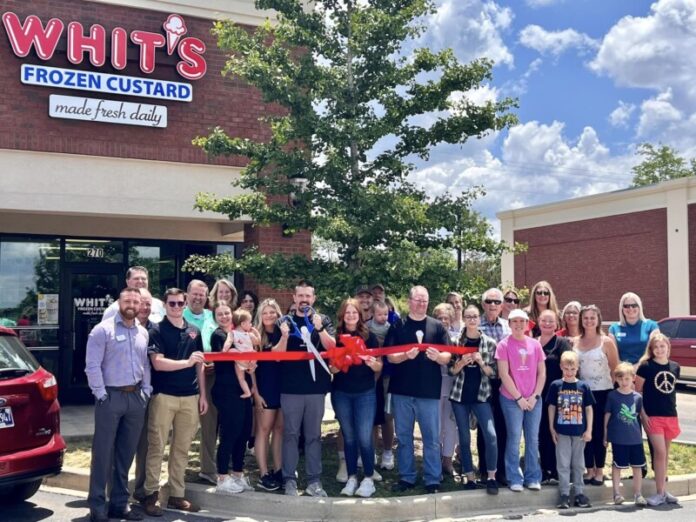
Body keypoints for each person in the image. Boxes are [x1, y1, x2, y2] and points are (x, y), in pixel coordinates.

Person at [85, 287, 150, 522]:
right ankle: (97, 507)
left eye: (136, 301)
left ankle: (120, 504)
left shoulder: (142, 332)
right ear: (119, 303)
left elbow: (146, 365)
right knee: (102, 454)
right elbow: (92, 366)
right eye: (127, 300)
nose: (131, 304)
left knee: (126, 454)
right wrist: (101, 394)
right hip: (110, 398)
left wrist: (146, 391)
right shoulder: (102, 331)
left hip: (135, 399)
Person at [141, 288, 208, 516]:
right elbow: (157, 363)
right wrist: (186, 363)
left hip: (190, 396)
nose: (177, 307)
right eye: (172, 304)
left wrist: (203, 395)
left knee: (182, 449)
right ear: (166, 304)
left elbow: (199, 364)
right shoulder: (156, 330)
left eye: (181, 303)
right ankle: (151, 495)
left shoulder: (194, 331)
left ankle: (176, 495)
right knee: (157, 447)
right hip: (164, 396)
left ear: (186, 302)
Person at [386, 285, 451, 494]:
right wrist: (405, 355)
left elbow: (448, 355)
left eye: (425, 300)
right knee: (404, 437)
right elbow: (389, 356)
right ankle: (407, 477)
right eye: (417, 300)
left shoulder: (438, 327)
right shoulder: (398, 326)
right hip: (402, 391)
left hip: (429, 392)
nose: (421, 304)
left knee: (431, 438)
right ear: (409, 301)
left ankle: (433, 479)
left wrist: (438, 357)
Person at [276, 280, 336, 497]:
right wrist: (283, 335)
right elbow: (276, 355)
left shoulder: (324, 320)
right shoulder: (285, 321)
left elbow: (332, 347)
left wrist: (319, 328)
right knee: (291, 435)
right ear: (294, 298)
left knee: (313, 436)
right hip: (290, 388)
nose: (304, 300)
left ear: (314, 299)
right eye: (300, 296)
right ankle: (289, 479)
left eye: (308, 296)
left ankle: (314, 481)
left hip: (315, 389)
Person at [330, 298, 383, 498]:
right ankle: (352, 477)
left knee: (364, 436)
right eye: (347, 313)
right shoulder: (336, 337)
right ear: (342, 316)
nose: (351, 316)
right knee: (349, 437)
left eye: (354, 312)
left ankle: (368, 478)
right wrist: (342, 361)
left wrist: (371, 363)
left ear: (359, 315)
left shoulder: (369, 336)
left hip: (365, 393)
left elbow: (379, 365)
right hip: (342, 393)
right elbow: (332, 369)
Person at [449, 304, 499, 495]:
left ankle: (491, 476)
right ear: (464, 319)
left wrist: (480, 361)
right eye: (468, 316)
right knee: (464, 437)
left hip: (481, 396)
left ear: (480, 319)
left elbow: (493, 374)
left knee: (491, 435)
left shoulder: (489, 343)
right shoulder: (456, 342)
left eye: (475, 316)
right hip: (460, 396)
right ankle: (469, 475)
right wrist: (461, 362)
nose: (471, 319)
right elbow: (451, 371)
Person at [496, 309, 546, 492]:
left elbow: (542, 373)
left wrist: (535, 396)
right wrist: (518, 398)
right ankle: (514, 477)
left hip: (534, 399)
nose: (518, 324)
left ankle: (533, 477)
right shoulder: (503, 345)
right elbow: (503, 374)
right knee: (515, 437)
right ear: (509, 324)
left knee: (533, 439)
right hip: (511, 399)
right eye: (514, 321)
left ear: (527, 324)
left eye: (522, 321)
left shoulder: (535, 345)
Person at [209, 300, 256, 495]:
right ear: (215, 317)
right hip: (227, 391)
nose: (224, 317)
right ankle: (222, 476)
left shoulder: (242, 333)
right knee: (230, 433)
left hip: (243, 390)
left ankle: (237, 473)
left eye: (227, 313)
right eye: (220, 314)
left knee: (244, 433)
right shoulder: (219, 335)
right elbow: (227, 354)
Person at [573, 304, 618, 486]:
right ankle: (589, 469)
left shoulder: (606, 341)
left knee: (600, 432)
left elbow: (616, 368)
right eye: (585, 318)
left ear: (598, 319)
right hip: (582, 393)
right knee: (584, 432)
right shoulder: (575, 341)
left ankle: (599, 469)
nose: (589, 321)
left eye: (592, 317)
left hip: (603, 393)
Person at [636, 333, 681, 506]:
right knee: (660, 452)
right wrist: (643, 414)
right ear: (651, 349)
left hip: (670, 415)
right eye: (656, 347)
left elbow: (670, 392)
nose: (660, 350)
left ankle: (663, 490)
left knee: (665, 454)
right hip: (652, 416)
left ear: (668, 347)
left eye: (663, 346)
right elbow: (638, 392)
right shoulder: (646, 366)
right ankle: (659, 492)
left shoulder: (675, 367)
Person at [546, 351, 594, 509]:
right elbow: (552, 407)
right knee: (563, 464)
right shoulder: (556, 385)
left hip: (579, 432)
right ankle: (564, 494)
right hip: (562, 432)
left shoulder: (583, 386)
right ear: (561, 367)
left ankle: (579, 493)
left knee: (579, 464)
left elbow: (588, 409)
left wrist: (589, 430)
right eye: (566, 368)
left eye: (572, 369)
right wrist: (552, 428)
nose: (569, 372)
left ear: (577, 368)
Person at [182, 280, 218, 485]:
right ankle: (178, 469)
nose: (198, 298)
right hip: (185, 377)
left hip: (211, 376)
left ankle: (207, 469)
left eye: (202, 295)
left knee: (209, 425)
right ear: (187, 295)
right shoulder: (179, 314)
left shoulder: (211, 317)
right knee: (183, 425)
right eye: (194, 294)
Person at [253, 298, 286, 491]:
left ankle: (279, 469)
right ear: (260, 315)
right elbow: (251, 369)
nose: (269, 316)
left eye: (272, 312)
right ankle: (264, 472)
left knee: (279, 430)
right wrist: (256, 393)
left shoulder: (285, 333)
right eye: (265, 313)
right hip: (265, 389)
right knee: (263, 430)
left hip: (284, 388)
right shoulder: (256, 336)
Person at [535, 309, 572, 484]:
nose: (547, 324)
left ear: (556, 324)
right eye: (544, 320)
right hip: (538, 394)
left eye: (551, 321)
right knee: (541, 432)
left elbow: (570, 366)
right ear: (538, 322)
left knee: (559, 432)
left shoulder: (562, 343)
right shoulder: (533, 343)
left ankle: (560, 470)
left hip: (559, 395)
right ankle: (545, 469)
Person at [604, 362, 647, 507]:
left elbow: (641, 416)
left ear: (633, 378)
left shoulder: (637, 397)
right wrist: (605, 435)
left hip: (635, 439)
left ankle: (638, 494)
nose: (624, 382)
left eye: (627, 379)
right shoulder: (612, 396)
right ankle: (616, 494)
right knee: (618, 466)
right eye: (620, 379)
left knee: (637, 467)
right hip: (618, 439)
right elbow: (607, 416)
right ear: (616, 379)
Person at [479, 287, 510, 485]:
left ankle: (501, 470)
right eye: (489, 301)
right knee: (484, 428)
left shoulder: (508, 327)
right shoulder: (475, 324)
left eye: (497, 302)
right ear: (483, 304)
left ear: (502, 306)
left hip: (504, 382)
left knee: (503, 426)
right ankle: (484, 469)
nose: (492, 305)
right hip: (482, 381)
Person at [366, 300, 396, 471]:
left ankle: (387, 452)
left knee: (387, 415)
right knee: (371, 416)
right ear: (372, 313)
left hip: (387, 376)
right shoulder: (366, 327)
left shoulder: (391, 327)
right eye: (379, 314)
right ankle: (371, 452)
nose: (383, 317)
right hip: (370, 375)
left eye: (385, 314)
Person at [132, 289, 155, 503]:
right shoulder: (119, 326)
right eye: (142, 303)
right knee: (121, 445)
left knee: (145, 445)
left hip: (148, 394)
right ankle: (115, 494)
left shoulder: (155, 330)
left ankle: (140, 490)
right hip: (125, 394)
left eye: (149, 304)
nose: (145, 308)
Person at [433, 302, 459, 477]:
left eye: (446, 318)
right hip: (433, 386)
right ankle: (435, 460)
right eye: (439, 318)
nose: (443, 321)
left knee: (450, 425)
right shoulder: (429, 338)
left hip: (452, 386)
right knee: (435, 425)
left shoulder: (457, 338)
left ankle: (447, 460)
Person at [608, 292, 659, 365]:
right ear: (622, 308)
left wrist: (637, 367)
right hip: (623, 372)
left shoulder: (652, 326)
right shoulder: (613, 328)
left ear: (639, 307)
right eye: (626, 306)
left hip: (646, 368)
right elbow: (613, 356)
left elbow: (653, 351)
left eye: (634, 305)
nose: (630, 308)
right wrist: (625, 369)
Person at [229, 308, 260, 399]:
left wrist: (225, 349)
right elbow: (257, 342)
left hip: (240, 359)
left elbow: (228, 342)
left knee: (241, 378)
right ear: (243, 324)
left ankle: (247, 392)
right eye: (250, 322)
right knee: (255, 353)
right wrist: (256, 332)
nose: (251, 324)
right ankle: (251, 367)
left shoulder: (232, 333)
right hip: (249, 357)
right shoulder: (249, 334)